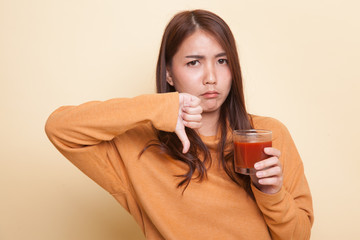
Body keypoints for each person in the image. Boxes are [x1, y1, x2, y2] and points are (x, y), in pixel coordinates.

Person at [45, 9, 314, 240]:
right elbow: (60, 128)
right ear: (168, 74)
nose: (211, 77)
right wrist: (159, 107)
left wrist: (272, 193)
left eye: (222, 61)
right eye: (194, 62)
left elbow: (299, 235)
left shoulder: (267, 135)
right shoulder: (137, 148)